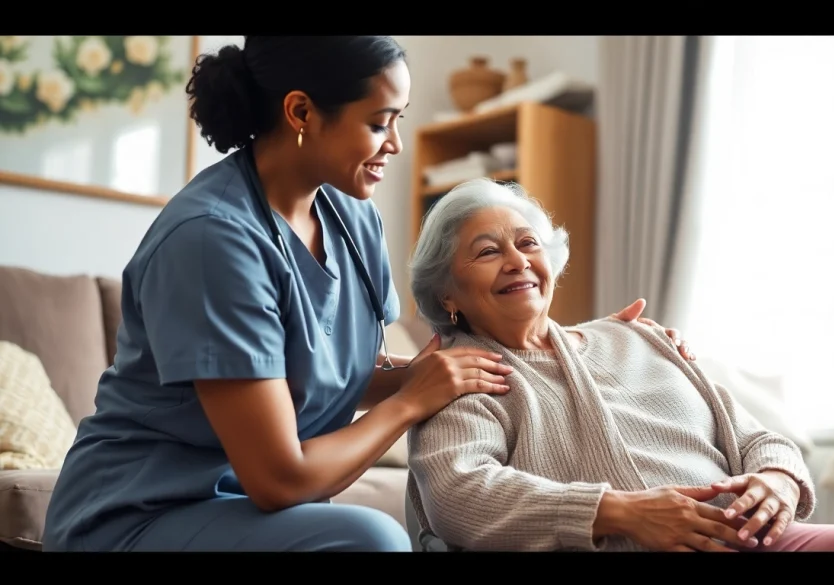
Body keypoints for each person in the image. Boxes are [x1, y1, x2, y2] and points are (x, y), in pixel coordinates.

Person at [41, 36, 692, 553]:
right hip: (143, 511)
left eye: (399, 120)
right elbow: (280, 479)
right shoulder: (212, 242)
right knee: (375, 537)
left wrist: (590, 347)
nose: (397, 145)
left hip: (241, 503)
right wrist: (412, 398)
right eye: (379, 123)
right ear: (300, 112)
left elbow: (342, 371)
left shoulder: (352, 216)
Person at [405, 178, 834, 553]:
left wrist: (777, 480)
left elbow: (755, 437)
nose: (517, 260)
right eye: (489, 252)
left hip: (743, 537)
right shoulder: (462, 376)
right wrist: (619, 511)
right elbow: (458, 494)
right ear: (447, 292)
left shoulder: (636, 337)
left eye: (528, 243)